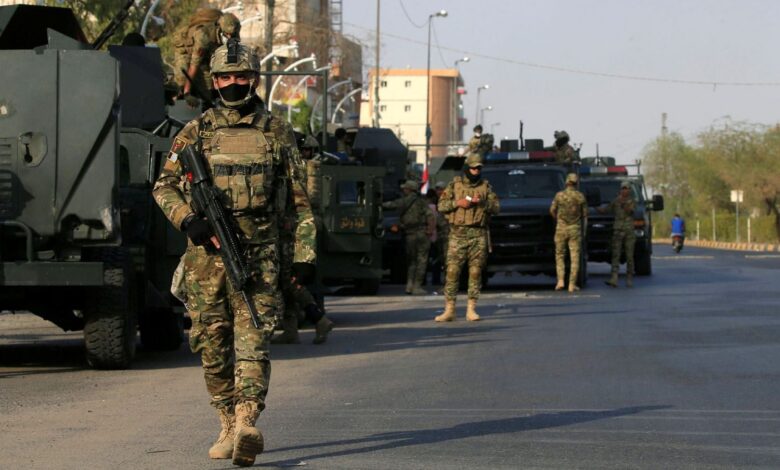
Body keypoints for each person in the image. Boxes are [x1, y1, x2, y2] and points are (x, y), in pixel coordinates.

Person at [153, 40, 315, 467]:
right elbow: (163, 187)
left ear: (254, 79)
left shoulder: (276, 131)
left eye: (241, 76)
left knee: (254, 340)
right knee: (212, 344)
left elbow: (300, 201)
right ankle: (225, 421)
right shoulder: (196, 132)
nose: (233, 84)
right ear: (214, 81)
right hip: (205, 260)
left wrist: (304, 254)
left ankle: (246, 422)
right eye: (225, 77)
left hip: (259, 256)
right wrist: (189, 219)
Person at [273, 135, 334, 345]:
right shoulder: (299, 168)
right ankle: (291, 330)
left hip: (292, 230)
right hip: (292, 228)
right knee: (285, 281)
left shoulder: (301, 170)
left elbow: (303, 202)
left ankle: (319, 319)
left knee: (289, 280)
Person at [435, 153, 500, 321]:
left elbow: (496, 208)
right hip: (458, 234)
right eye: (473, 168)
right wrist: (458, 203)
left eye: (478, 168)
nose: (476, 171)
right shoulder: (454, 185)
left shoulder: (486, 187)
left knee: (476, 272)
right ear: (467, 168)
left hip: (478, 234)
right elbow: (441, 206)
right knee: (452, 271)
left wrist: (482, 203)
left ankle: (471, 309)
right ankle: (449, 309)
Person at [174, 9, 240, 108]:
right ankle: (177, 100)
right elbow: (194, 65)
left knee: (207, 91)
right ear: (220, 28)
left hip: (208, 52)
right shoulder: (203, 36)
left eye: (232, 35)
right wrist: (187, 92)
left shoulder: (233, 30)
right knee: (182, 81)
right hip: (186, 50)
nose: (229, 36)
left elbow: (232, 61)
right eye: (226, 34)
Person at [382, 180, 434, 295]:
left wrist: (378, 204)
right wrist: (430, 230)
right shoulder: (422, 202)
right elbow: (430, 216)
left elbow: (392, 205)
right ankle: (417, 286)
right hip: (422, 233)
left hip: (410, 234)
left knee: (411, 261)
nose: (403, 190)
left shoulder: (404, 201)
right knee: (422, 260)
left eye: (405, 188)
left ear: (409, 190)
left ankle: (409, 286)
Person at [549, 173, 587, 292]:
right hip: (575, 229)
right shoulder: (580, 196)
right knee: (574, 257)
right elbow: (585, 215)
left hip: (561, 228)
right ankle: (571, 284)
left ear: (566, 182)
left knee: (560, 255)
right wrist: (584, 232)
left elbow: (552, 210)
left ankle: (560, 281)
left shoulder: (559, 195)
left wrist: (559, 220)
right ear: (576, 183)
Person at [599, 181, 636, 288]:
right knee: (616, 255)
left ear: (629, 190)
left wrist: (623, 203)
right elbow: (606, 210)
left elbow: (630, 211)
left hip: (629, 231)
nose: (624, 190)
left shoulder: (632, 201)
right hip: (618, 231)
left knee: (629, 256)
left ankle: (629, 278)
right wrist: (596, 207)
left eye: (626, 188)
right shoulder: (616, 201)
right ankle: (614, 278)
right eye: (623, 188)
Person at [430, 181, 450, 286]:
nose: (439, 191)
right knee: (439, 258)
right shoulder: (435, 201)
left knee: (447, 259)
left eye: (441, 189)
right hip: (438, 234)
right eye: (437, 189)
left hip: (447, 233)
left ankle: (448, 283)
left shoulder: (449, 201)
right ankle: (438, 280)